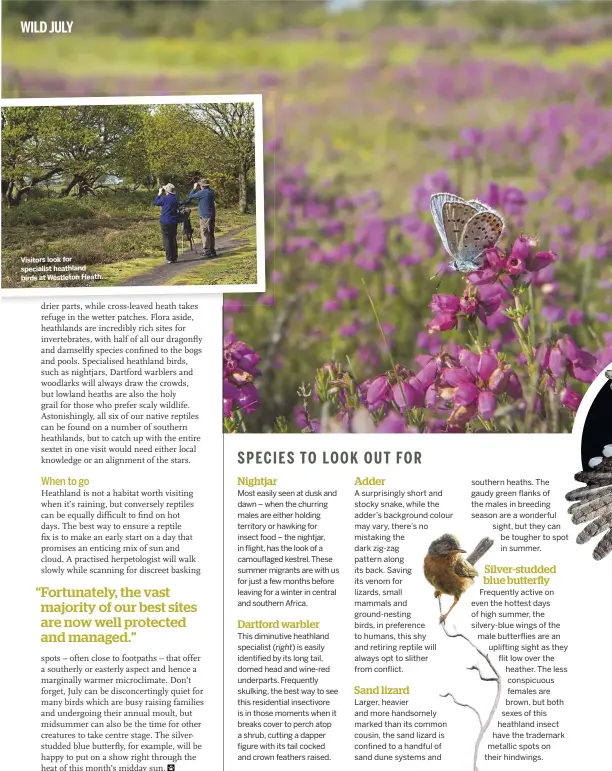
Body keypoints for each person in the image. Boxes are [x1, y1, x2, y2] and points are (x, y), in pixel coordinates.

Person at [187, 178, 216, 257]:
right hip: (212, 214)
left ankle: (207, 251)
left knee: (205, 233)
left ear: (202, 186)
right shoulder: (211, 192)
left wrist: (194, 188)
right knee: (211, 233)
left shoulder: (202, 193)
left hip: (205, 216)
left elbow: (191, 196)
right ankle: (212, 250)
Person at [154, 183, 179, 263]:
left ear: (166, 191)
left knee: (167, 239)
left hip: (165, 221)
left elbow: (156, 202)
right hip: (174, 221)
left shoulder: (165, 198)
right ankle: (174, 257)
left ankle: (169, 258)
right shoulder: (176, 198)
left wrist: (159, 193)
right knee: (173, 238)